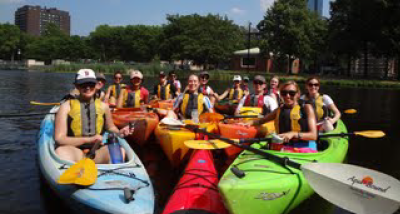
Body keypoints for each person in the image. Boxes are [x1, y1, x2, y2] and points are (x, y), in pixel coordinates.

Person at [54, 69, 134, 164]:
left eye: (91, 84)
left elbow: (110, 127)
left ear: (96, 85)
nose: (88, 87)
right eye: (83, 84)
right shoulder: (66, 106)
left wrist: (119, 132)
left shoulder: (104, 107)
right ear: (76, 86)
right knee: (60, 152)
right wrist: (88, 139)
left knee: (120, 151)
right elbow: (59, 138)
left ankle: (112, 175)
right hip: (74, 150)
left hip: (97, 151)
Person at [248, 81, 317, 151]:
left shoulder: (306, 108)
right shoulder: (279, 110)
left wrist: (293, 134)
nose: (287, 96)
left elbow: (313, 136)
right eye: (284, 93)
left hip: (304, 147)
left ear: (298, 94)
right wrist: (248, 123)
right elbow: (261, 121)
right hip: (283, 147)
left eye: (292, 93)